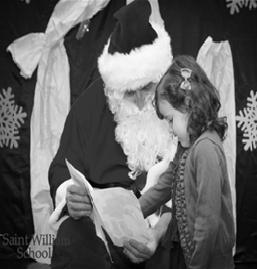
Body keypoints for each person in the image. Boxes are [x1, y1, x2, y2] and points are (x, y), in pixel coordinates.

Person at [48, 0, 174, 268]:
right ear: (115, 89)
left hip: (162, 230)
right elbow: (61, 166)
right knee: (71, 234)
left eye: (148, 87)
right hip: (102, 233)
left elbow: (194, 181)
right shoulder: (92, 104)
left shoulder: (179, 101)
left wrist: (159, 231)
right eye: (131, 91)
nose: (141, 101)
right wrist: (71, 194)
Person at [122, 55, 236, 269]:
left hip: (209, 262)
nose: (171, 129)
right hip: (192, 255)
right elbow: (164, 185)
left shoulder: (205, 150)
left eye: (171, 120)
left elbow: (208, 222)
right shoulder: (187, 147)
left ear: (189, 105)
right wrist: (133, 213)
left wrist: (196, 265)